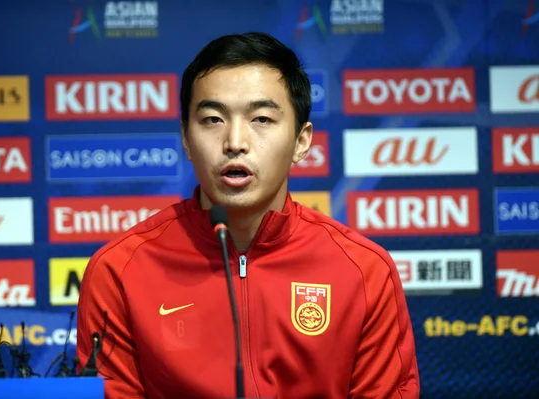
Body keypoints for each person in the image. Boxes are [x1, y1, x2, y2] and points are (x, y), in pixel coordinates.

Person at [76, 32, 420, 399]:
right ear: (186, 140)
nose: (235, 141)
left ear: (301, 141)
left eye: (261, 119)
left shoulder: (364, 270)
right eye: (212, 119)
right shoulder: (119, 271)